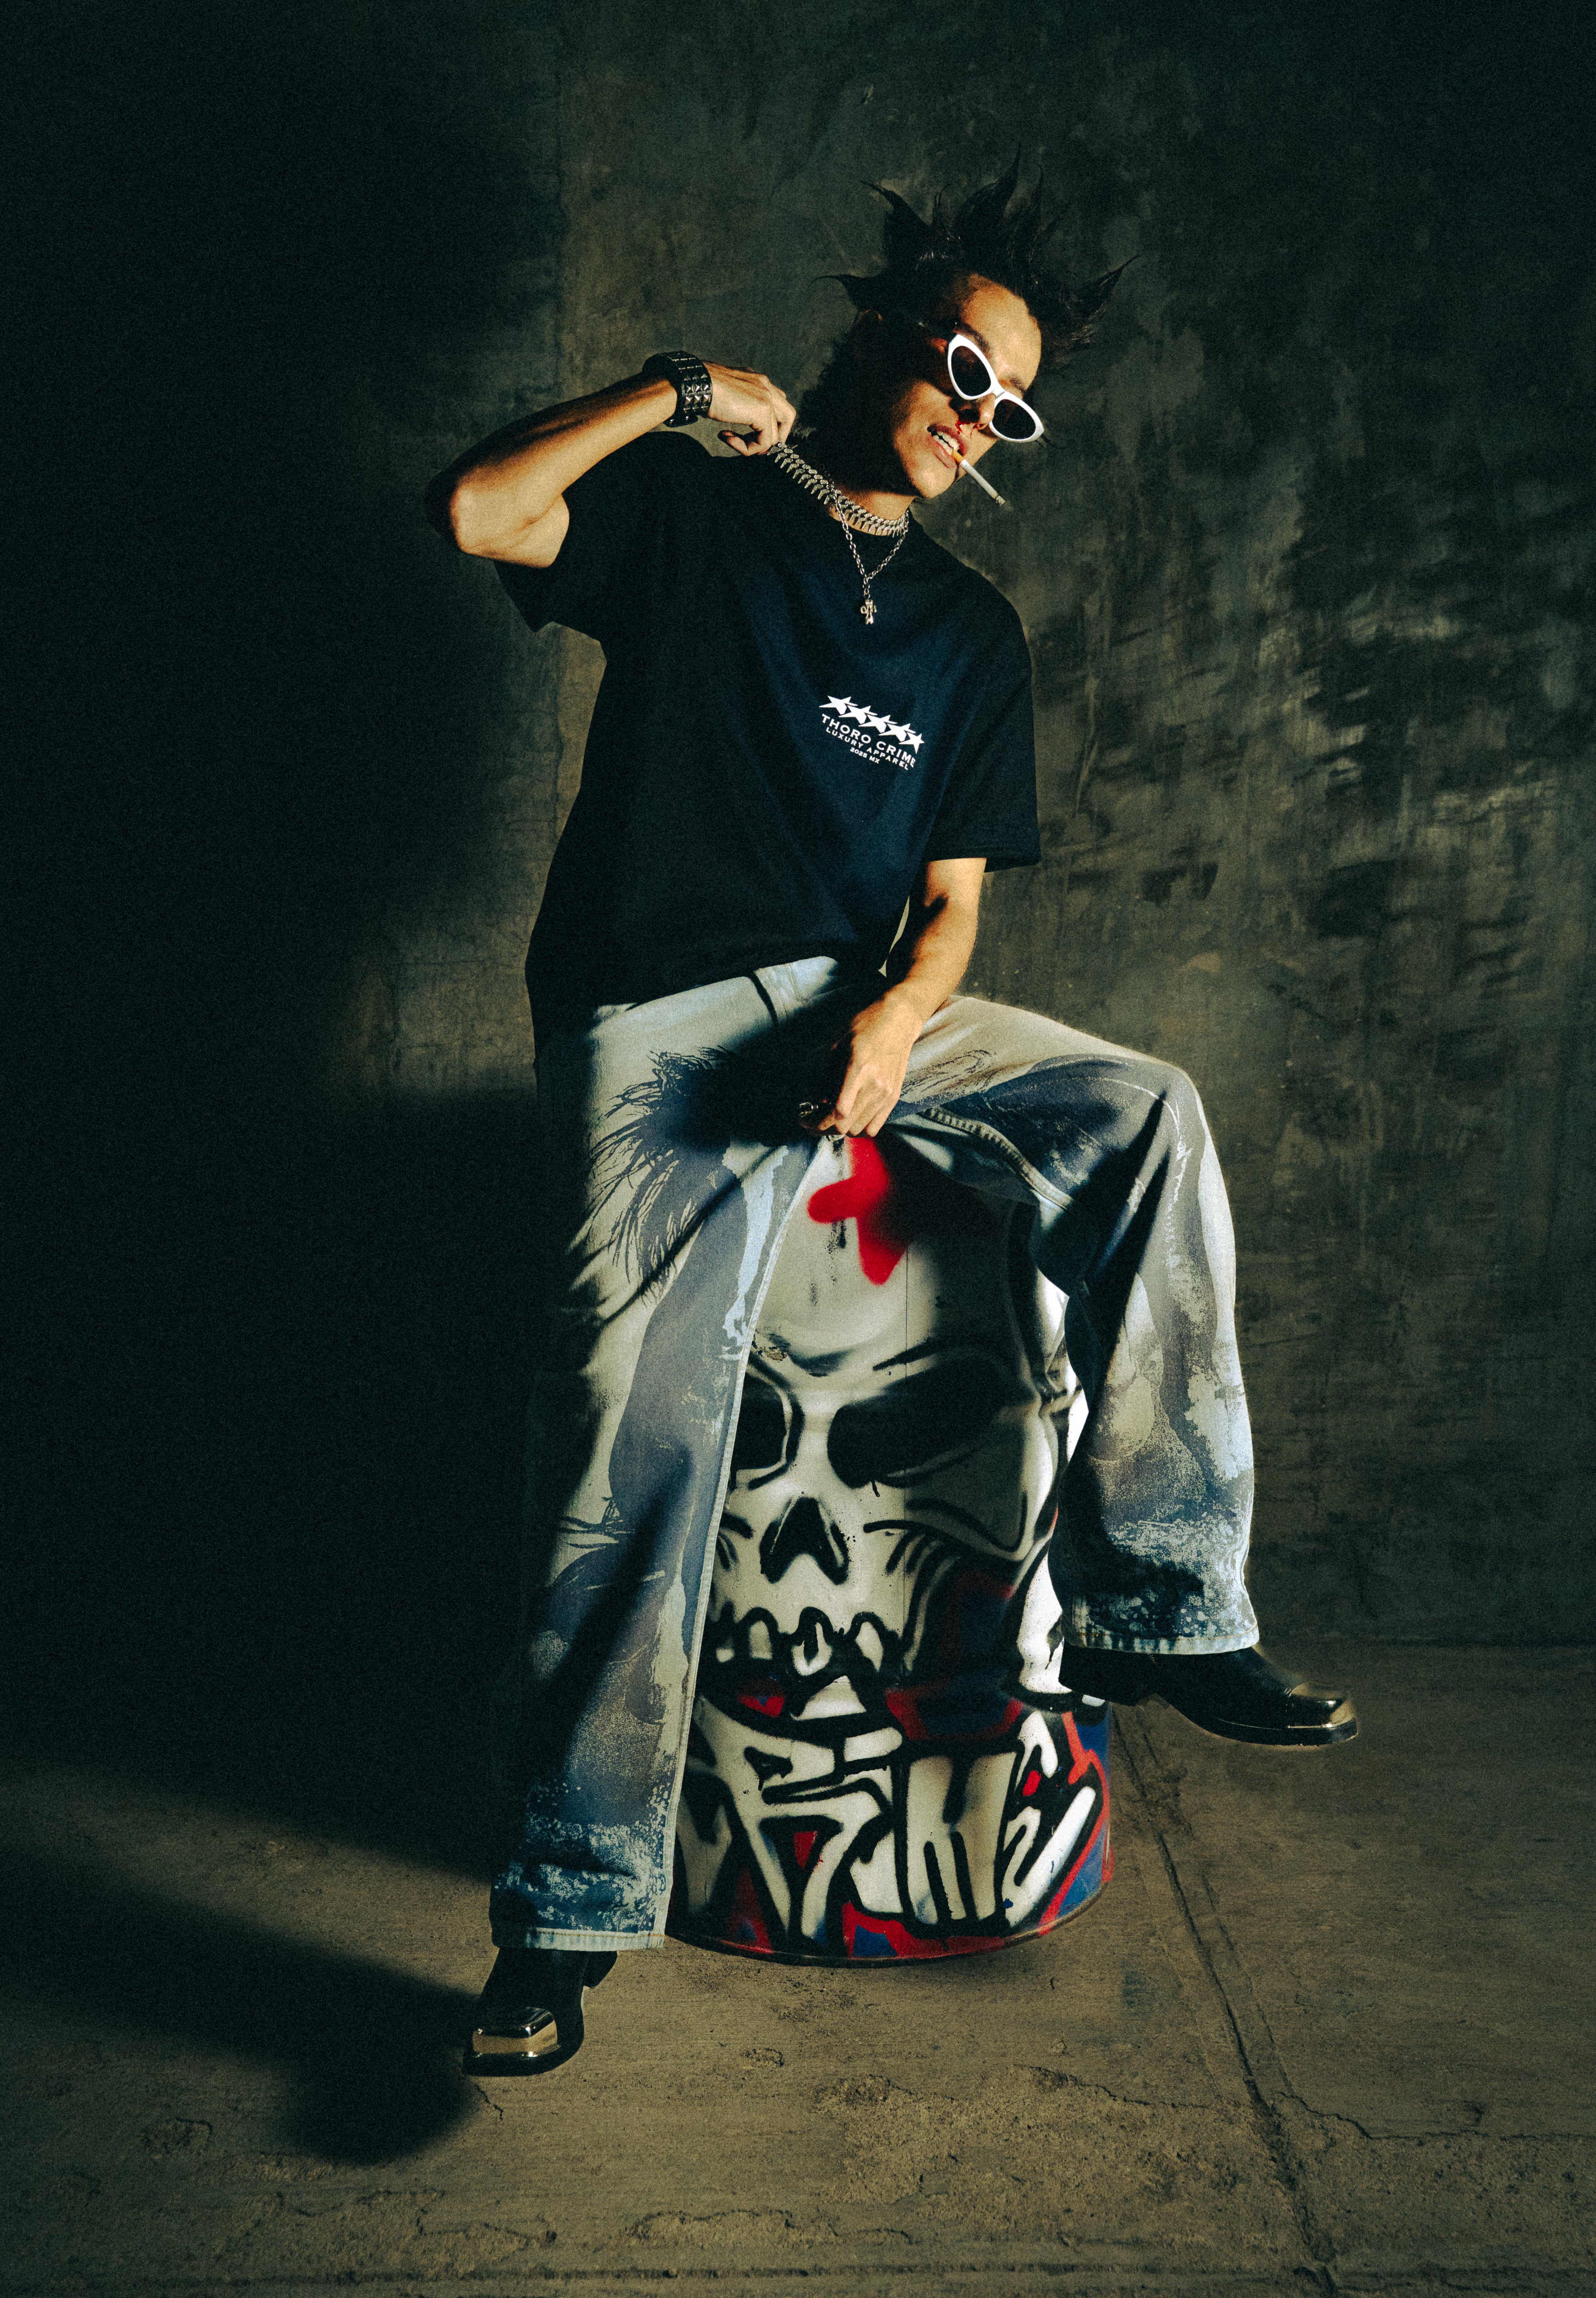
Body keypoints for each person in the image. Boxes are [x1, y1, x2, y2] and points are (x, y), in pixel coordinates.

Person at [425, 163, 1356, 2076]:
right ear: (885, 338)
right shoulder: (697, 515)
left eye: (1012, 409)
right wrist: (680, 393)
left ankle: (1170, 1605)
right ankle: (562, 1912)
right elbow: (480, 513)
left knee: (1148, 1115)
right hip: (659, 1009)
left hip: (867, 1005)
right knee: (627, 1438)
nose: (976, 419)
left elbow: (947, 911)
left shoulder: (968, 633)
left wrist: (892, 1027)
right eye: (963, 370)